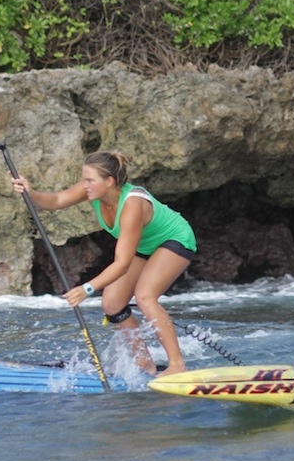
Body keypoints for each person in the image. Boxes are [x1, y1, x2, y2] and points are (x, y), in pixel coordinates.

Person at [10, 152, 197, 377]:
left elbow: (122, 264)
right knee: (112, 304)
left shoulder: (132, 205)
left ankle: (177, 364)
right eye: (84, 179)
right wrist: (30, 193)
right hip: (145, 246)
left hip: (174, 239)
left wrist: (87, 288)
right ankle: (144, 362)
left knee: (145, 296)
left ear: (109, 182)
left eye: (90, 180)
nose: (84, 185)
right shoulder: (94, 191)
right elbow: (56, 201)